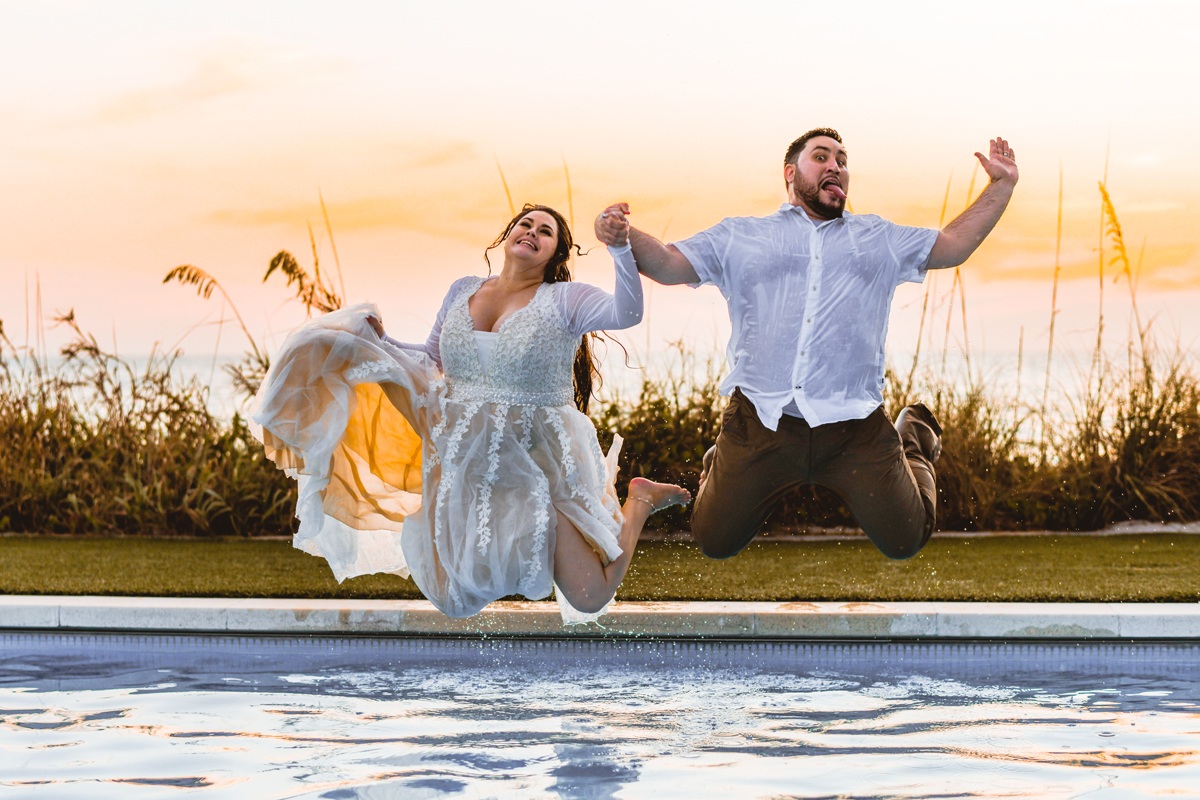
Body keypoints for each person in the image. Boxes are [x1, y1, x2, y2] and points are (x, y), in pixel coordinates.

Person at [594, 129, 1018, 561]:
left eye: (842, 159)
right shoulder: (742, 236)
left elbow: (953, 245)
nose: (836, 165)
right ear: (790, 173)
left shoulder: (879, 238)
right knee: (713, 540)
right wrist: (622, 234)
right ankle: (718, 462)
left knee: (905, 541)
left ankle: (914, 437)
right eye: (822, 156)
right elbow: (667, 263)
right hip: (762, 419)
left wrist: (1001, 185)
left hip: (855, 425)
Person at [252, 203, 690, 620]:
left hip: (538, 459)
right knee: (452, 589)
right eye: (525, 224)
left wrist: (618, 247)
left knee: (590, 596)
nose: (532, 233)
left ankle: (639, 498)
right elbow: (432, 359)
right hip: (467, 452)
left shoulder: (563, 300)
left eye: (545, 231)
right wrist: (380, 341)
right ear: (507, 236)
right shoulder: (463, 290)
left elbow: (626, 312)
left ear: (555, 253)